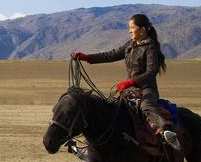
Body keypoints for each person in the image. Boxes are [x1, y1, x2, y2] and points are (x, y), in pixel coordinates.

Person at [73, 13, 180, 150]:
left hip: (148, 89)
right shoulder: (130, 45)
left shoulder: (150, 48)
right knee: (107, 111)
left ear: (142, 29)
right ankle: (91, 148)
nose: (129, 31)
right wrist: (87, 57)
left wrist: (132, 82)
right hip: (130, 90)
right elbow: (110, 55)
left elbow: (151, 72)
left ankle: (166, 132)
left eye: (132, 28)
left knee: (146, 106)